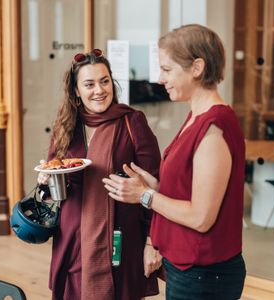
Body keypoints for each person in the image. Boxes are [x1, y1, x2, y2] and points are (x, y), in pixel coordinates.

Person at [103, 24, 246, 299]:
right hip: (190, 268)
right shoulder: (196, 116)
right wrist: (154, 185)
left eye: (167, 70)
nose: (159, 78)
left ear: (197, 67)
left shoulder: (214, 126)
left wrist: (144, 195)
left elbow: (202, 218)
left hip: (204, 274)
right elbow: (189, 188)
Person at [41, 49, 162, 300]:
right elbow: (53, 179)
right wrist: (45, 181)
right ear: (76, 90)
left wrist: (152, 242)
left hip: (120, 239)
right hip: (72, 240)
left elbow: (156, 185)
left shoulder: (132, 122)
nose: (99, 90)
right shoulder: (66, 126)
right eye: (89, 84)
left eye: (104, 81)